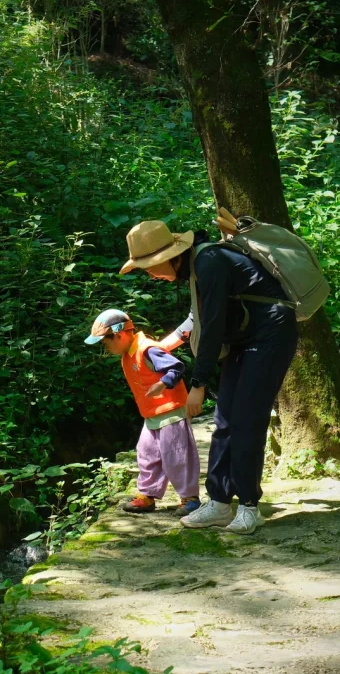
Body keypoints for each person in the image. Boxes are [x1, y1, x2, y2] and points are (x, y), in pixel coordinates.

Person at [119, 219, 297, 535]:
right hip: (245, 338)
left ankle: (249, 508)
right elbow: (197, 318)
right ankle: (218, 502)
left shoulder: (209, 261)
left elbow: (212, 326)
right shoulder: (197, 268)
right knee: (225, 418)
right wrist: (165, 344)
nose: (150, 274)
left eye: (150, 266)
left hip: (270, 334)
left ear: (169, 256)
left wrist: (198, 384)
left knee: (246, 421)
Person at [84, 308, 202, 516]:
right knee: (146, 453)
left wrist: (162, 384)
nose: (105, 347)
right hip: (151, 415)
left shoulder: (147, 349)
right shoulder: (128, 354)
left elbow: (176, 367)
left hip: (171, 412)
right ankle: (148, 496)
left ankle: (190, 498)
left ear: (119, 335)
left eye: (105, 342)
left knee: (177, 456)